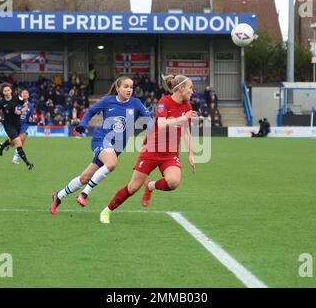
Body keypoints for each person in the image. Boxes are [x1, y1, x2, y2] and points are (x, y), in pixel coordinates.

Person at [99, 74, 198, 224]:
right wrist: (182, 118)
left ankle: (150, 185)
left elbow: (185, 131)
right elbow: (162, 123)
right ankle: (107, 211)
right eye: (190, 88)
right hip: (151, 151)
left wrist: (190, 153)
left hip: (170, 153)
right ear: (181, 89)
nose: (192, 91)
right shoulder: (164, 102)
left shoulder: (187, 107)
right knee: (132, 188)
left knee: (173, 182)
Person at [50, 76, 153, 215]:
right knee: (111, 164)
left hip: (117, 147)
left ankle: (59, 196)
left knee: (85, 178)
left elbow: (149, 120)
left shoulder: (136, 103)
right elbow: (91, 111)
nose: (129, 89)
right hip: (101, 139)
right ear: (117, 88)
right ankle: (84, 194)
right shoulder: (107, 101)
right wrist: (82, 124)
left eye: (131, 87)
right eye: (126, 86)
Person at [0, 83, 34, 170]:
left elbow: (25, 106)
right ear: (3, 92)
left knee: (13, 142)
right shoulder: (0, 102)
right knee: (19, 143)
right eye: (5, 91)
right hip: (8, 125)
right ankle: (27, 163)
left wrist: (20, 111)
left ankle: (3, 145)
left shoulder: (17, 98)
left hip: (17, 123)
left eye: (8, 90)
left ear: (11, 90)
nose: (7, 92)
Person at [11, 89, 34, 165]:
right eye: (23, 93)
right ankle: (4, 145)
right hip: (16, 124)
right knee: (14, 143)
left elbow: (31, 117)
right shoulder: (17, 103)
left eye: (26, 93)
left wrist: (31, 118)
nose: (25, 94)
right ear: (21, 94)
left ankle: (14, 159)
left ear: (28, 95)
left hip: (24, 125)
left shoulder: (30, 106)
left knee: (21, 142)